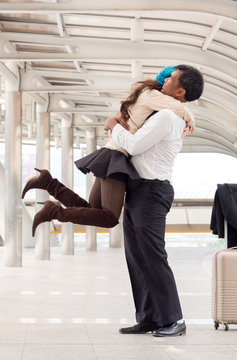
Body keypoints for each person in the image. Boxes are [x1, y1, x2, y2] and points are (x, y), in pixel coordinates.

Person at [23, 66, 195, 236]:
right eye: (168, 79)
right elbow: (179, 108)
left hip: (112, 153)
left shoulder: (147, 96)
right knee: (109, 218)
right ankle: (53, 211)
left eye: (170, 79)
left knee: (92, 209)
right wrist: (191, 121)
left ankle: (48, 183)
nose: (166, 82)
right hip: (117, 156)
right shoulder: (153, 96)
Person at [105, 65, 204, 337]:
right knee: (137, 257)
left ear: (180, 91)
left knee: (153, 257)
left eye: (171, 79)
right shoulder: (160, 113)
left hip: (152, 190)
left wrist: (114, 126)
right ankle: (149, 317)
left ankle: (174, 320)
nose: (164, 79)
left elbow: (135, 146)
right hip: (139, 189)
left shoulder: (168, 117)